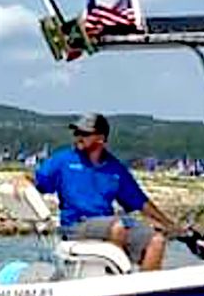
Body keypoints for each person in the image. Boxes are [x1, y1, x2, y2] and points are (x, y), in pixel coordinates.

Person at [30, 113, 182, 271]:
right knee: (117, 226)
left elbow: (140, 202)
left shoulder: (115, 168)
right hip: (76, 225)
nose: (78, 137)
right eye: (76, 133)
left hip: (107, 225)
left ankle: (143, 292)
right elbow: (38, 182)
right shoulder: (63, 160)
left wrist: (169, 225)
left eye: (85, 134)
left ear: (101, 138)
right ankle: (113, 280)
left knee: (157, 240)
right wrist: (22, 180)